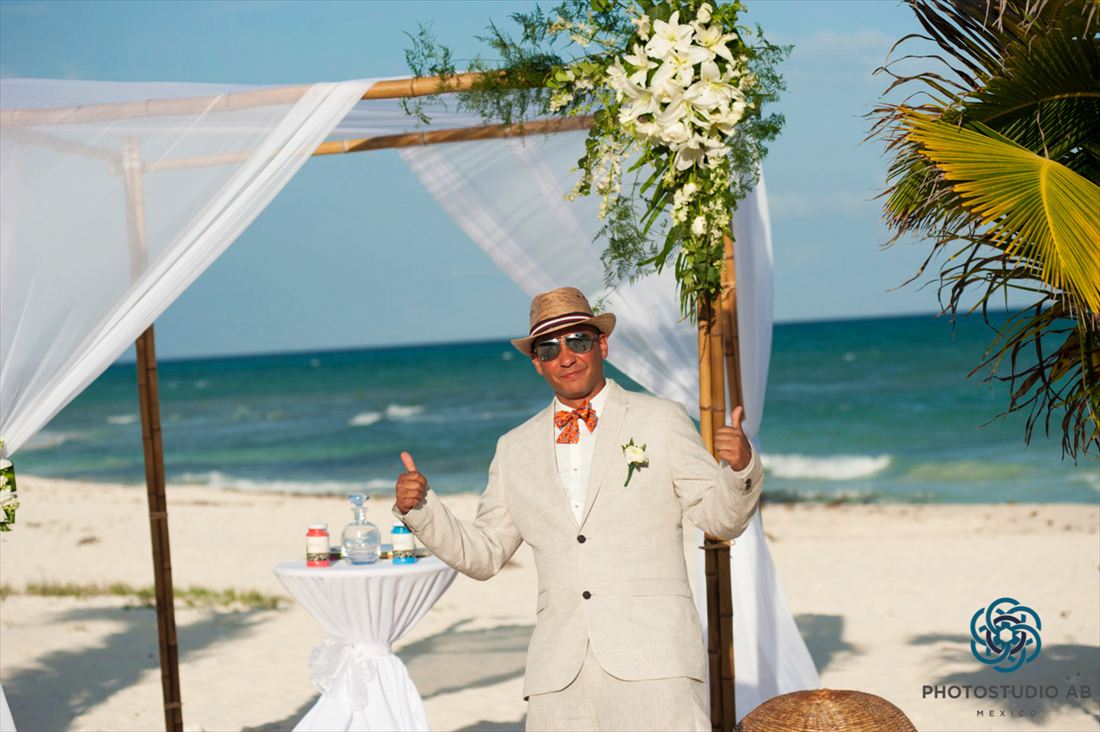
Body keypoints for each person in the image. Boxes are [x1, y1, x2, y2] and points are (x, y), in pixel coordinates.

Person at [393, 286, 762, 732]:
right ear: (537, 363)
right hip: (558, 676)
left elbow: (720, 519)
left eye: (578, 341)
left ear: (601, 344)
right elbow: (484, 554)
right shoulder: (513, 448)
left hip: (654, 662)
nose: (565, 357)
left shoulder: (661, 419)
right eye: (549, 349)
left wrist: (739, 468)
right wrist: (421, 510)